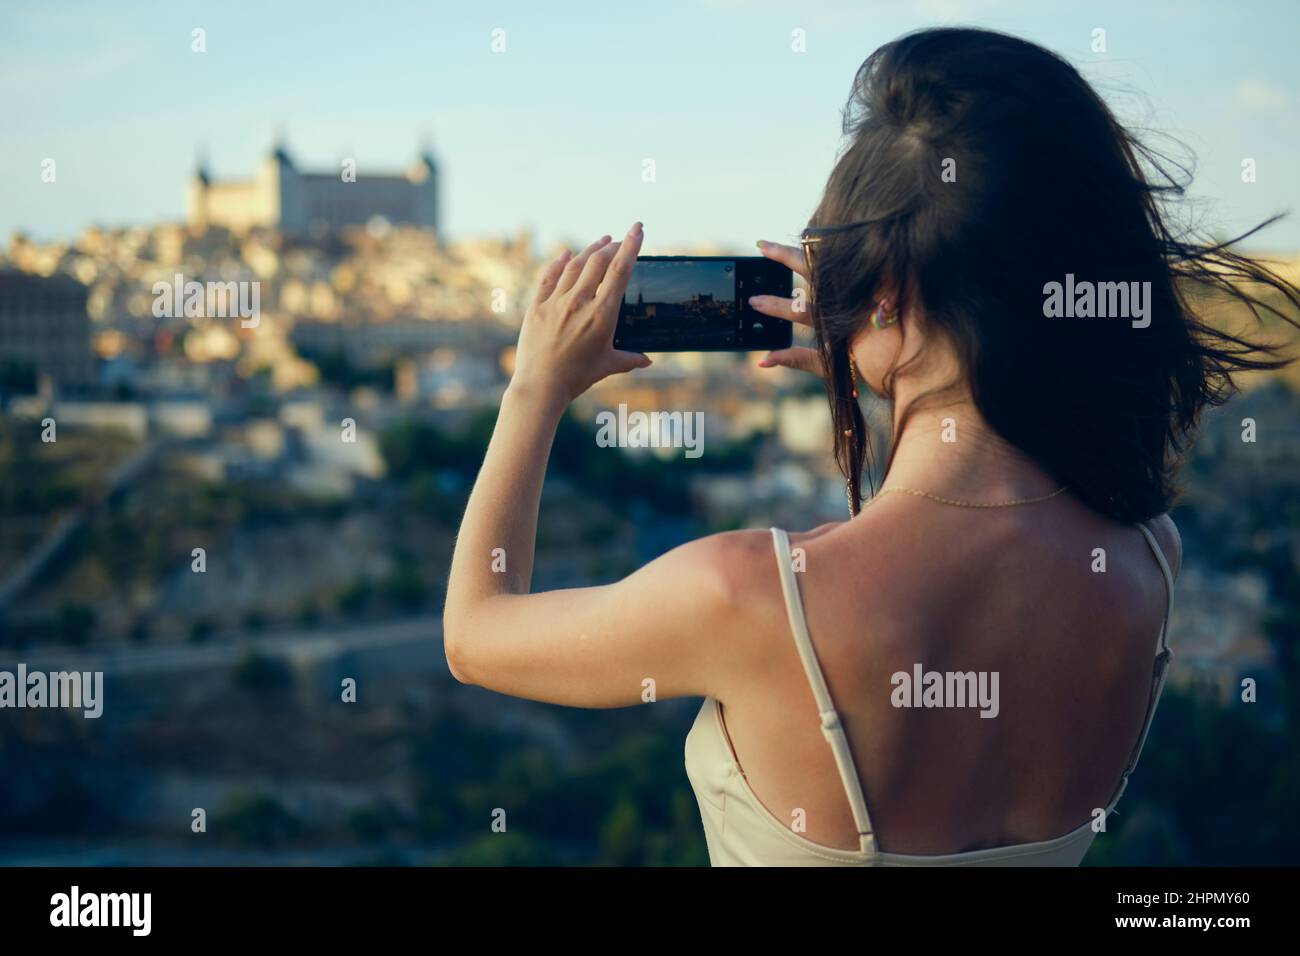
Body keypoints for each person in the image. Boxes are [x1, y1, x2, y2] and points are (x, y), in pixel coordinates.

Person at [443, 28, 1299, 865]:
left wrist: (534, 389)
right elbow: (964, 492)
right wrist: (885, 342)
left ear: (884, 288)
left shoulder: (748, 597)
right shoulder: (1148, 560)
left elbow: (474, 636)